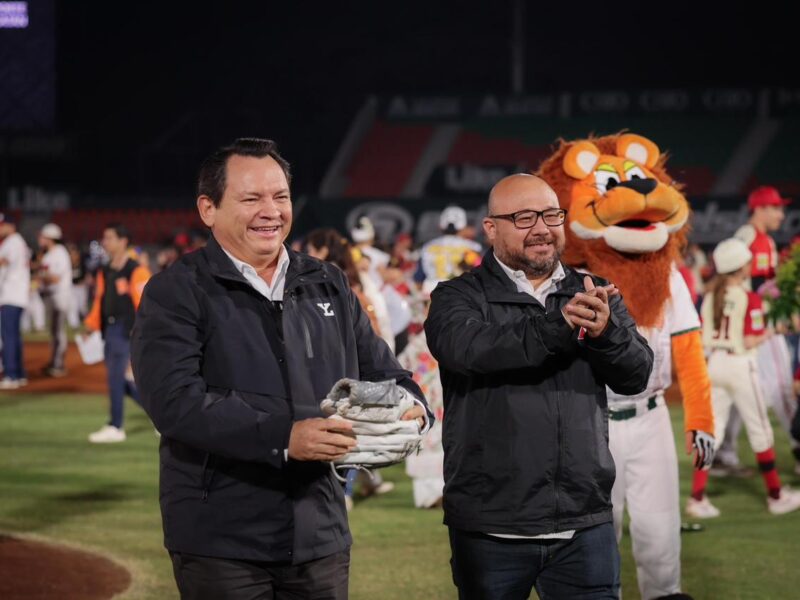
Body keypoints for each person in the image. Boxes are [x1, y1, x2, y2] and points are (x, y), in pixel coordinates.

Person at [131, 138, 429, 600]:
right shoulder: (176, 290)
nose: (271, 210)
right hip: (221, 540)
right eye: (251, 198)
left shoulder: (327, 282)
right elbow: (175, 402)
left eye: (280, 196)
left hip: (320, 532)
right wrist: (283, 437)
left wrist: (411, 408)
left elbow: (387, 375)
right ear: (208, 209)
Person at [425, 174, 654, 600]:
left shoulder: (594, 291)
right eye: (525, 217)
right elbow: (475, 351)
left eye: (551, 215)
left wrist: (606, 335)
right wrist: (560, 323)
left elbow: (637, 373)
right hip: (490, 524)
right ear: (491, 228)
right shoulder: (456, 297)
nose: (542, 228)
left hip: (583, 522)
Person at [687, 238, 800, 517]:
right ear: (740, 268)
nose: (751, 264)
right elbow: (750, 340)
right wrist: (774, 331)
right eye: (747, 261)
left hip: (714, 363)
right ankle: (775, 496)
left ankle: (697, 498)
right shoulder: (749, 298)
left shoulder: (710, 295)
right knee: (760, 429)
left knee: (711, 433)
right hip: (740, 365)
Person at [84, 223, 151, 443]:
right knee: (119, 382)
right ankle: (161, 414)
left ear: (123, 241)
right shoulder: (106, 269)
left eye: (109, 237)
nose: (105, 242)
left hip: (127, 329)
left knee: (115, 377)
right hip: (110, 329)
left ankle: (116, 426)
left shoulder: (136, 269)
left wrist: (140, 335)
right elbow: (100, 299)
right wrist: (92, 325)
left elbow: (145, 305)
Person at [37, 223, 74, 377]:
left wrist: (40, 276)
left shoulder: (60, 253)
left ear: (50, 238)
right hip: (51, 296)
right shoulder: (49, 254)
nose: (40, 238)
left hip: (59, 297)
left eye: (43, 236)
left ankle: (58, 364)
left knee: (58, 332)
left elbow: (55, 277)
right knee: (54, 332)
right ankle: (54, 361)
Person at [418, 205, 482, 291]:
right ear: (463, 226)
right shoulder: (474, 247)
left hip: (432, 291)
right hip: (461, 292)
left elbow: (419, 277)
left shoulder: (428, 246)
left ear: (441, 226)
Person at [0, 212, 31, 389]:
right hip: (15, 295)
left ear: (11, 226)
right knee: (13, 336)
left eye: (2, 225)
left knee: (8, 336)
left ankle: (11, 374)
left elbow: (2, 262)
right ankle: (18, 374)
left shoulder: (13, 242)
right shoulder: (17, 242)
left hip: (11, 295)